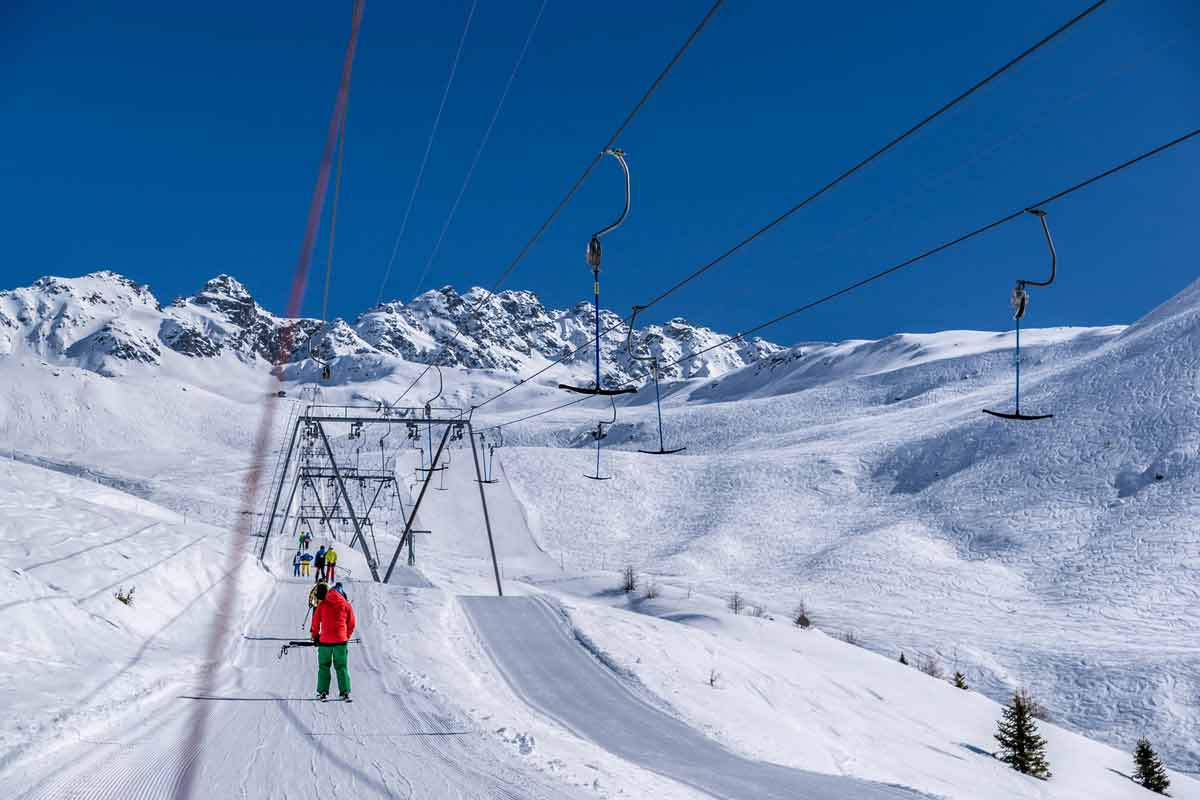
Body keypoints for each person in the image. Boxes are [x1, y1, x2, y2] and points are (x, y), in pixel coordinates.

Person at [310, 581, 355, 701]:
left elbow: (315, 622)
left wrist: (315, 636)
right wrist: (346, 636)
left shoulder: (323, 604)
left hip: (325, 642)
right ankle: (345, 692)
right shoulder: (346, 605)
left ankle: (323, 692)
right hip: (341, 642)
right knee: (342, 667)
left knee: (324, 666)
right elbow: (351, 624)